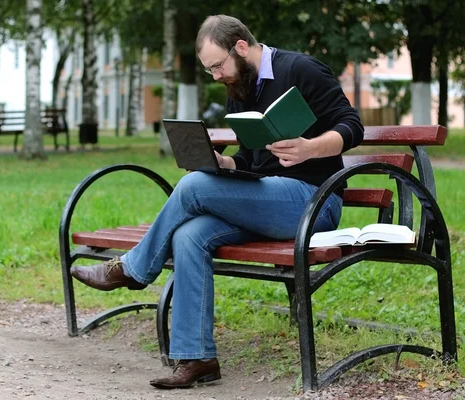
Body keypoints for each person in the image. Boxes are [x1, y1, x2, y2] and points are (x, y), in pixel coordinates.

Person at [71, 14, 364, 389]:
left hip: (313, 202)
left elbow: (351, 125)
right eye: (210, 70)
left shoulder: (302, 69)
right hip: (267, 202)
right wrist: (226, 163)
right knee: (190, 234)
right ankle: (198, 359)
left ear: (241, 47)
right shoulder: (241, 85)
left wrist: (310, 148)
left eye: (218, 66)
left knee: (193, 187)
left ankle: (131, 269)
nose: (216, 76)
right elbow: (252, 158)